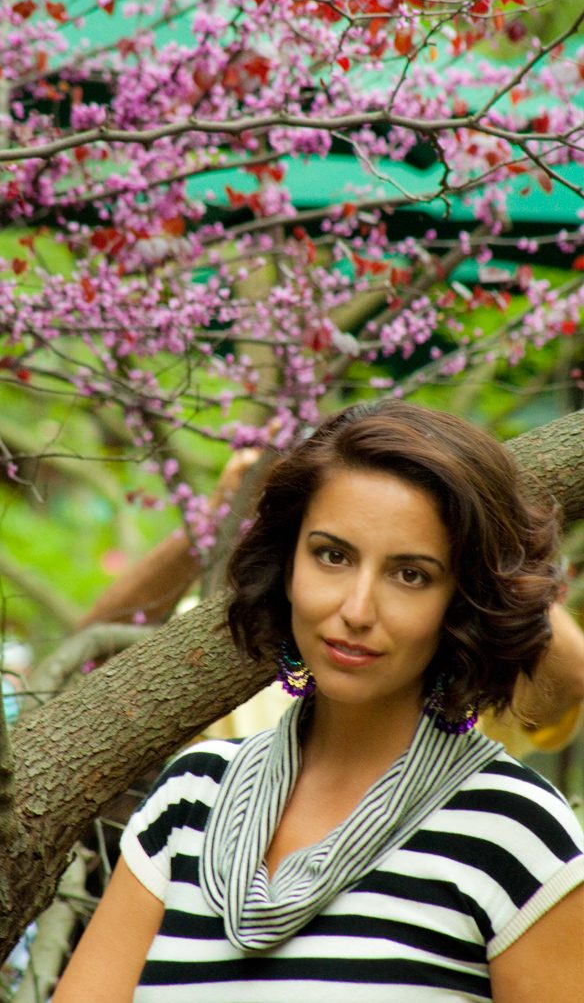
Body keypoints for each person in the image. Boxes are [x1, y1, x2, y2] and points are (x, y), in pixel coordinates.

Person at [53, 400, 584, 1003]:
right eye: (333, 555)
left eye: (410, 575)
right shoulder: (189, 799)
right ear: (287, 564)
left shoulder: (514, 830)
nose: (356, 610)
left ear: (462, 602)